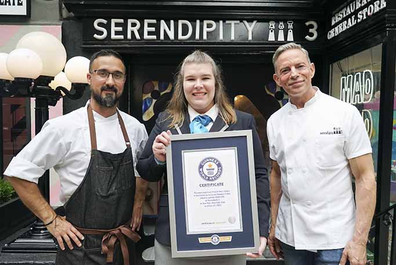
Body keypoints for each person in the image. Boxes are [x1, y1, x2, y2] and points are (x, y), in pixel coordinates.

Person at [4, 49, 148, 265]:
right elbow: (19, 172)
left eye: (117, 75)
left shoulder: (135, 128)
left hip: (123, 246)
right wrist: (51, 220)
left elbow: (141, 168)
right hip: (79, 249)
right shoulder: (64, 127)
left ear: (124, 81)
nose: (110, 81)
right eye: (103, 73)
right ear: (89, 78)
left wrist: (138, 202)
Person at [137, 50, 270, 265]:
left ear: (216, 83)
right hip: (174, 237)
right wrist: (158, 158)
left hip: (230, 237)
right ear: (182, 85)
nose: (198, 85)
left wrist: (261, 229)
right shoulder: (166, 121)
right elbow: (145, 170)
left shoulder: (241, 122)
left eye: (205, 78)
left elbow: (259, 175)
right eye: (191, 79)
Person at [267, 43, 376, 265]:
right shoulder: (274, 122)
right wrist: (274, 225)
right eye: (286, 70)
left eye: (300, 66)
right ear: (278, 79)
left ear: (312, 70)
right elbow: (277, 174)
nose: (294, 74)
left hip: (336, 238)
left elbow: (365, 177)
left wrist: (360, 241)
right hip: (291, 236)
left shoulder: (344, 113)